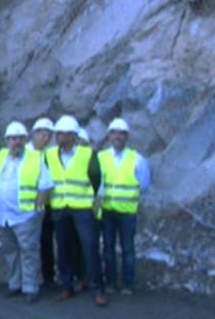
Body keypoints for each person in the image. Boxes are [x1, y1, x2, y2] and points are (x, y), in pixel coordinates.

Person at [46, 115, 107, 307]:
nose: (58, 137)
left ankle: (98, 288)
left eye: (62, 134)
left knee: (90, 247)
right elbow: (46, 179)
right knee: (63, 248)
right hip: (60, 208)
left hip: (82, 209)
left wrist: (93, 199)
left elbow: (96, 177)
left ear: (72, 136)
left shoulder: (87, 154)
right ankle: (67, 286)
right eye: (58, 133)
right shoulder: (50, 155)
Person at [0, 121, 53, 304]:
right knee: (10, 251)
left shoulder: (35, 158)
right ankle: (14, 284)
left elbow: (45, 186)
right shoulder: (2, 157)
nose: (16, 142)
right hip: (5, 216)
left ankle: (31, 287)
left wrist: (38, 211)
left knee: (29, 251)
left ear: (25, 140)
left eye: (19, 138)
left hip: (26, 215)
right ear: (7, 141)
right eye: (12, 139)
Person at [98, 118, 150, 296]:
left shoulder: (137, 159)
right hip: (108, 211)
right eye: (114, 133)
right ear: (109, 136)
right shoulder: (101, 157)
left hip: (127, 213)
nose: (117, 137)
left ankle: (128, 284)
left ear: (126, 137)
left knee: (128, 249)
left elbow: (143, 185)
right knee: (108, 248)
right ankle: (111, 282)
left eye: (121, 134)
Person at [29, 117, 57, 287]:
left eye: (48, 135)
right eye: (42, 134)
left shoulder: (52, 154)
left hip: (48, 205)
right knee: (29, 244)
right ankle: (30, 277)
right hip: (27, 206)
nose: (45, 138)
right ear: (35, 134)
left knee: (46, 241)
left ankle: (48, 277)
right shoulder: (25, 152)